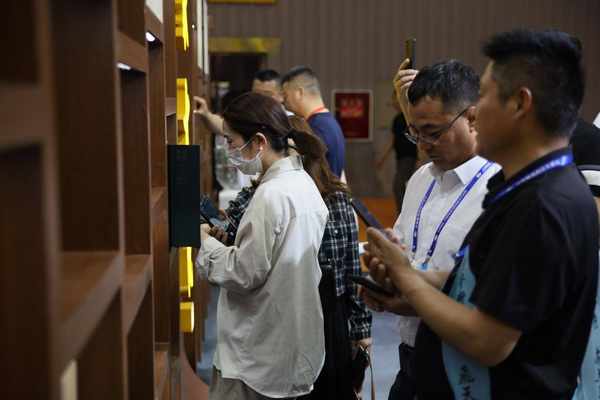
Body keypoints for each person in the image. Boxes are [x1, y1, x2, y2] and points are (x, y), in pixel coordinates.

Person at [364, 29, 599, 399]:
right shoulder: (527, 187)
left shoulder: (544, 204)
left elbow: (488, 341)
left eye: (484, 96)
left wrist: (406, 278)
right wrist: (407, 276)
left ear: (520, 104)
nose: (474, 111)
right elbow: (482, 280)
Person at [209, 115, 373, 400]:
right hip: (320, 316)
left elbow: (349, 271)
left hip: (285, 314)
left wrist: (212, 242)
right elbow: (351, 272)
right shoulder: (333, 198)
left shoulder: (266, 194)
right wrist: (361, 329)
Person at [364, 60, 500, 400]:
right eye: (415, 133)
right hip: (409, 357)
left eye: (433, 132)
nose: (423, 144)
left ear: (472, 118)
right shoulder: (421, 180)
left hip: (463, 368)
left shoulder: (500, 190)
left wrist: (413, 296)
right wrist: (385, 271)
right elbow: (407, 251)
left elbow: (487, 294)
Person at [195, 92, 329, 400]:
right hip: (290, 346)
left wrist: (205, 242)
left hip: (257, 354)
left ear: (258, 142)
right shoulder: (303, 184)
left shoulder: (271, 195)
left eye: (231, 141)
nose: (229, 150)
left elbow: (244, 273)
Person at [282, 66, 346, 177]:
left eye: (286, 95)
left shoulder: (316, 128)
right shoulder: (329, 122)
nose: (284, 101)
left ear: (299, 93)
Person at [194, 69, 285, 136]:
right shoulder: (249, 117)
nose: (260, 99)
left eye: (267, 94)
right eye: (256, 94)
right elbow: (224, 126)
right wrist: (206, 113)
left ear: (281, 95)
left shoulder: (289, 121)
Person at [376, 91, 418, 214]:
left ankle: (403, 214)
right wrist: (382, 158)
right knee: (403, 186)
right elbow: (392, 140)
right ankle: (404, 213)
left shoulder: (411, 118)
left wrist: (419, 157)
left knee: (398, 185)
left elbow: (418, 137)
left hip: (409, 157)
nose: (393, 102)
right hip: (400, 158)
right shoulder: (397, 119)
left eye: (395, 99)